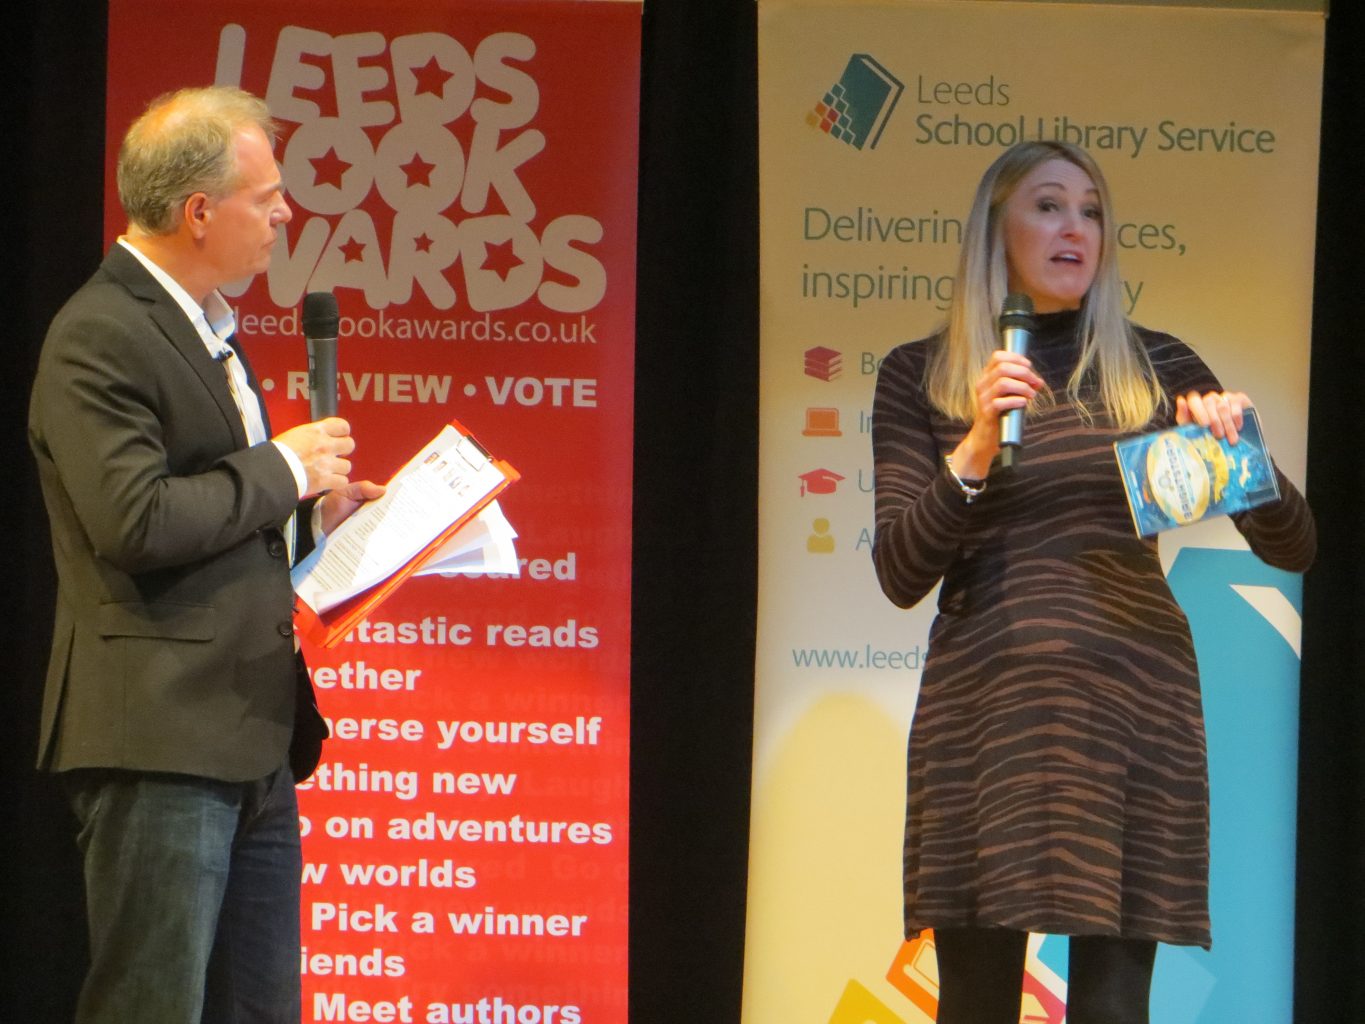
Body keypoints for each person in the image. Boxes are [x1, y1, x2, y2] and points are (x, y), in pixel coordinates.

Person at [870, 140, 1315, 1024]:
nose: (1074, 228)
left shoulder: (1154, 366)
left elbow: (1293, 547)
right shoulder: (921, 375)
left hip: (1130, 704)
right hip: (986, 710)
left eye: (1091, 211)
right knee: (974, 1001)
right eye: (1047, 206)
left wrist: (1243, 456)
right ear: (995, 230)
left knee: (1113, 1007)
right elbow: (900, 571)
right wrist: (975, 445)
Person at [28, 86, 384, 1023]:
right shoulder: (101, 332)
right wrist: (283, 467)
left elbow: (219, 525)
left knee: (258, 1009)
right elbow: (135, 521)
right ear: (197, 211)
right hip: (160, 742)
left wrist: (315, 522)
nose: (285, 213)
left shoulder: (209, 331)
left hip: (249, 739)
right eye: (265, 197)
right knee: (151, 1006)